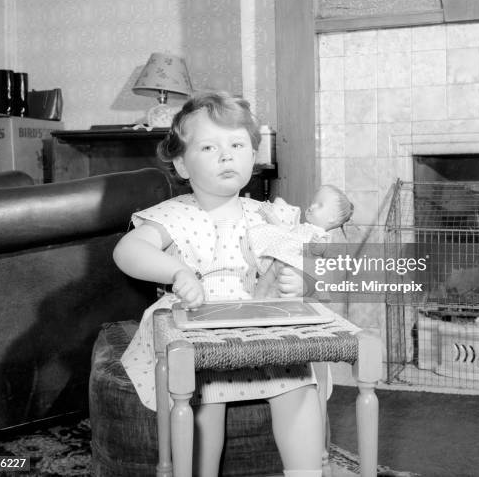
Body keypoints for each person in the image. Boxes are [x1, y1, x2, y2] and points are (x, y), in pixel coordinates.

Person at [113, 91, 325, 477]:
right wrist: (176, 273)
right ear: (181, 164)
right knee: (199, 394)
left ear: (253, 155)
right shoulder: (172, 214)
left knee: (296, 380)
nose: (226, 155)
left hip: (257, 320)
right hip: (199, 319)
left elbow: (303, 260)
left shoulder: (269, 214)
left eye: (237, 144)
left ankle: (306, 473)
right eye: (209, 146)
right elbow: (128, 251)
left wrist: (299, 281)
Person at [251, 185, 354, 298]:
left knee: (278, 290)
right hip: (278, 262)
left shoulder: (322, 236)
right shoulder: (301, 227)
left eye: (319, 205)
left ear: (332, 218)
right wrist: (271, 215)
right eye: (313, 202)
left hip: (295, 269)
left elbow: (322, 253)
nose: (312, 206)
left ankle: (269, 307)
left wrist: (316, 245)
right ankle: (257, 302)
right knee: (262, 283)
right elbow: (284, 229)